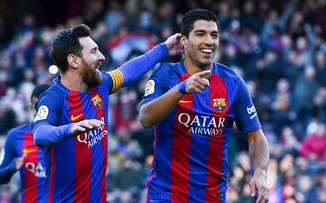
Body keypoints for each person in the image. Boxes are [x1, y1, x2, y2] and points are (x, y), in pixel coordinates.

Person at [32, 24, 182, 202]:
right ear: (74, 60)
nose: (102, 57)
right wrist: (70, 129)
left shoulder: (100, 84)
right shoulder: (54, 98)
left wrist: (164, 48)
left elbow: (128, 71)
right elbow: (40, 133)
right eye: (94, 51)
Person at [139, 9, 270, 203]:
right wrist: (181, 89)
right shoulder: (167, 74)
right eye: (200, 34)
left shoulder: (232, 82)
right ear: (183, 40)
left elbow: (255, 136)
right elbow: (145, 117)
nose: (209, 41)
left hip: (212, 197)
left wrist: (260, 172)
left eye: (214, 35)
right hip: (167, 195)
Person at [0, 84, 50, 203]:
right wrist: (12, 167)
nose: (40, 110)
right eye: (37, 105)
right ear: (30, 106)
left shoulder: (69, 133)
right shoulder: (15, 136)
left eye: (44, 105)